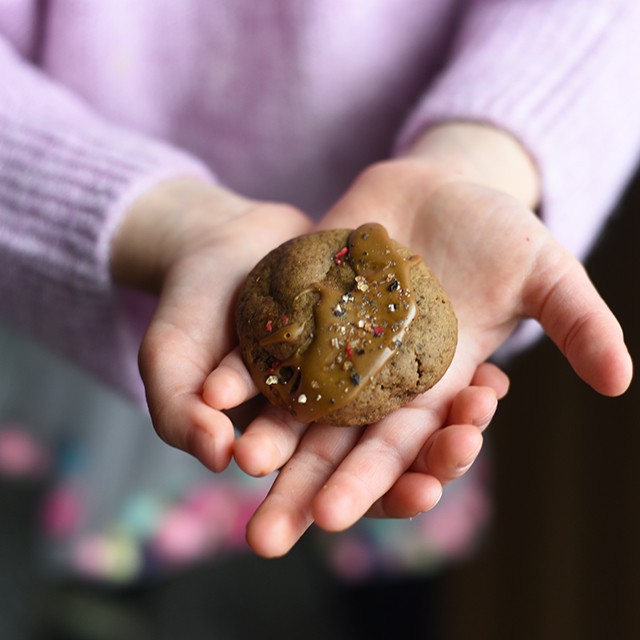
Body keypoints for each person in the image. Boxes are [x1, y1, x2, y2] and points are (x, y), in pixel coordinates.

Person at [0, 0, 637, 578]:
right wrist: (154, 216)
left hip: (428, 163)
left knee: (356, 552)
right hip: (91, 298)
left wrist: (486, 153)